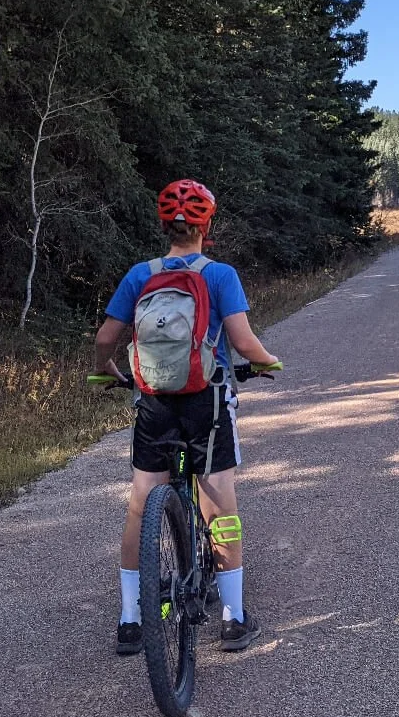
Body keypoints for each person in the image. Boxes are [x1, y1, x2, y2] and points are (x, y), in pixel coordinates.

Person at [92, 178, 279, 655]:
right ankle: (233, 619)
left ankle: (131, 619)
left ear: (164, 226)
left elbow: (104, 339)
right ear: (206, 226)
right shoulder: (219, 275)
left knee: (140, 502)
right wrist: (266, 361)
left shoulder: (140, 274)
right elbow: (242, 342)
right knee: (220, 502)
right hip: (207, 401)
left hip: (154, 401)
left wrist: (107, 372)